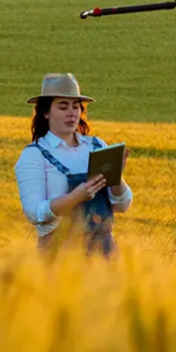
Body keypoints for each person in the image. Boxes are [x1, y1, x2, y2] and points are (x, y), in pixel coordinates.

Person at [14, 73, 132, 256]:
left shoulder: (96, 146)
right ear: (46, 112)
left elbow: (122, 206)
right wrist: (75, 198)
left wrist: (116, 177)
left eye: (75, 107)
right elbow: (34, 213)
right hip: (60, 253)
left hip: (105, 251)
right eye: (63, 107)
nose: (71, 113)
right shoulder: (34, 155)